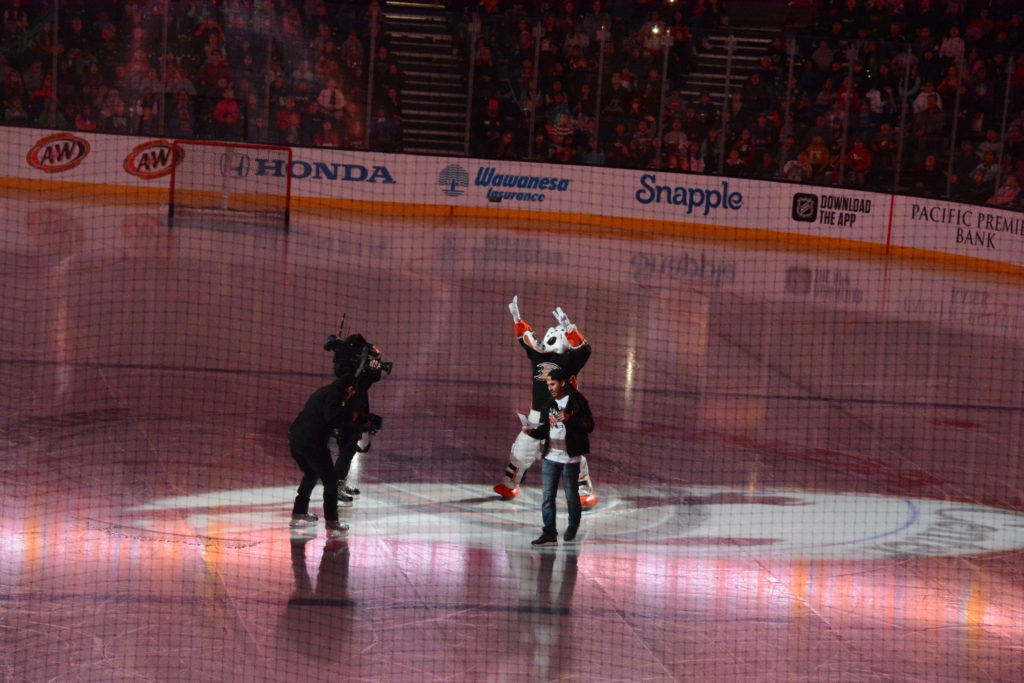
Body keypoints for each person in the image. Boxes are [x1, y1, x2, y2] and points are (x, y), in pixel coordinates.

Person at [495, 296, 597, 507]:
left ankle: (583, 491)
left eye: (557, 333)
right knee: (522, 450)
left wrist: (569, 329)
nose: (551, 333)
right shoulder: (538, 356)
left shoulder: (569, 360)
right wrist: (517, 319)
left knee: (570, 454)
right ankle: (510, 484)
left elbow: (585, 350)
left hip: (561, 418)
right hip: (535, 417)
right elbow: (526, 338)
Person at [288, 374, 379, 538]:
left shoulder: (326, 391)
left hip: (296, 439)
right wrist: (354, 423)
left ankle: (298, 513)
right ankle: (332, 523)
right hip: (312, 443)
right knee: (331, 482)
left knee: (311, 473)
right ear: (349, 389)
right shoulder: (336, 397)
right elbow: (333, 419)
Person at [527, 367, 595, 547]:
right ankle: (549, 533)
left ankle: (573, 526)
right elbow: (544, 430)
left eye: (553, 384)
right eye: (548, 385)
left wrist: (570, 420)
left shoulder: (577, 402)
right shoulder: (548, 404)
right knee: (547, 497)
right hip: (551, 457)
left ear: (563, 383)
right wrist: (531, 432)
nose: (550, 388)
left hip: (570, 460)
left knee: (572, 496)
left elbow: (589, 425)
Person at [324, 332, 389, 506]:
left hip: (355, 407)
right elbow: (362, 385)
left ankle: (341, 483)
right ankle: (336, 486)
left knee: (348, 447)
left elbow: (366, 382)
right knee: (347, 447)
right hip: (350, 409)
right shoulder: (351, 379)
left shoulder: (348, 368)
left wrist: (372, 370)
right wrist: (371, 371)